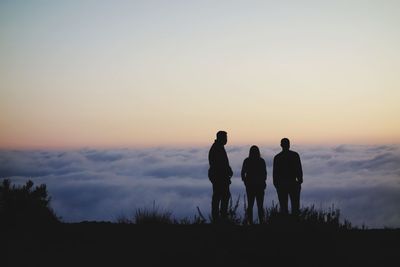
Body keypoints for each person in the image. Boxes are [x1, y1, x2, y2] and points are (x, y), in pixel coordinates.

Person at [273, 138, 303, 216]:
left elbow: (275, 173)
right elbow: (299, 169)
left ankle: (285, 224)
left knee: (283, 207)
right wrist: (299, 181)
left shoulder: (277, 157)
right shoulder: (295, 155)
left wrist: (276, 184)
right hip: (293, 183)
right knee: (295, 206)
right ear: (289, 145)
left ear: (281, 145)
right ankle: (295, 223)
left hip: (282, 184)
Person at [208, 131, 233, 222]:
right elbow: (219, 165)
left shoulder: (218, 147)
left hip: (219, 177)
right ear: (220, 138)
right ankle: (220, 219)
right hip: (219, 178)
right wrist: (227, 171)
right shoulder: (217, 148)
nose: (226, 140)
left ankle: (220, 218)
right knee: (220, 197)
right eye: (225, 138)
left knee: (220, 197)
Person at [241, 145, 267, 224]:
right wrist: (262, 182)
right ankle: (261, 222)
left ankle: (250, 222)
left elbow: (243, 173)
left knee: (250, 205)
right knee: (260, 205)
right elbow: (264, 174)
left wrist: (245, 182)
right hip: (259, 186)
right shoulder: (261, 161)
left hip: (251, 187)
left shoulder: (247, 161)